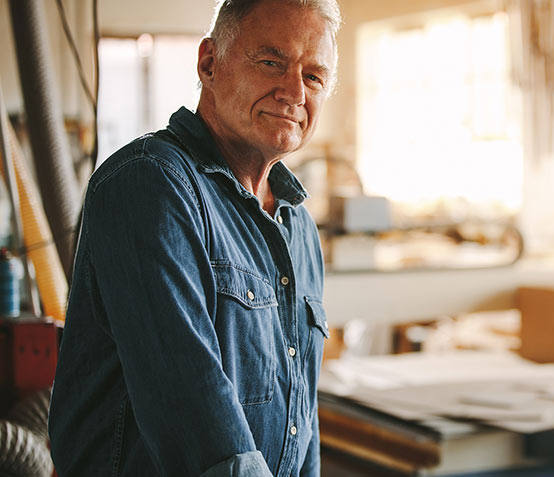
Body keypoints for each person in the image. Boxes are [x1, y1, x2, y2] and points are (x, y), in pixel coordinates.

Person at [48, 0, 340, 475]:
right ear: (209, 63)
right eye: (271, 62)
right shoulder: (151, 185)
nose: (293, 91)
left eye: (314, 77)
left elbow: (302, 422)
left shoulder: (298, 227)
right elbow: (191, 408)